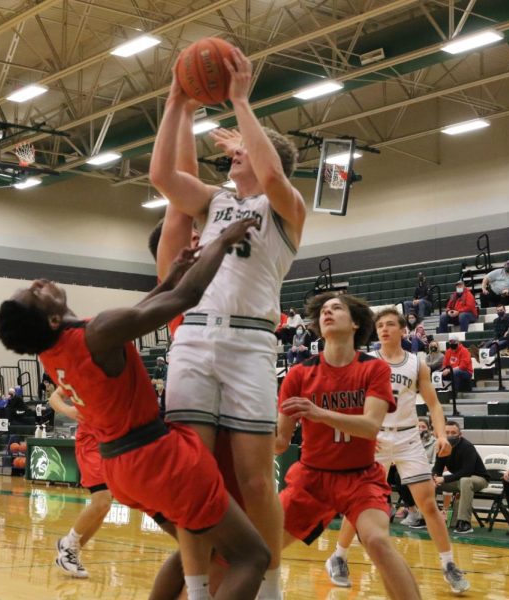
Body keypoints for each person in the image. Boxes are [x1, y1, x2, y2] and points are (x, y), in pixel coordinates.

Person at [0, 219, 271, 600]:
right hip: (156, 458)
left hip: (122, 470)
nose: (39, 284)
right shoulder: (97, 333)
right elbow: (188, 297)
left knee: (199, 549)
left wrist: (169, 276)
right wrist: (222, 241)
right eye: (35, 294)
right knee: (251, 557)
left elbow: (132, 318)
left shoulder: (53, 349)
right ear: (53, 318)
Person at [149, 48, 306, 598]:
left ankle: (270, 588)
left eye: (239, 153)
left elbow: (268, 171)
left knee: (259, 480)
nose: (232, 160)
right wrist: (176, 100)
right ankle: (197, 589)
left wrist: (241, 100)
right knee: (196, 482)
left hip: (250, 343)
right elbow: (164, 175)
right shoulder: (213, 202)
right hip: (194, 337)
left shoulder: (286, 207)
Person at [275, 293, 422, 599]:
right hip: (312, 478)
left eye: (337, 308)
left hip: (360, 477)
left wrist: (318, 413)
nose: (328, 312)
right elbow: (279, 442)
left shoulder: (374, 369)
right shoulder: (299, 375)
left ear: (355, 323)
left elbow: (370, 427)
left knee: (378, 541)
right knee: (260, 548)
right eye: (324, 310)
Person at [329, 308, 468, 594]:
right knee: (359, 503)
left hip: (408, 439)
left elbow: (434, 405)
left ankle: (449, 564)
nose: (384, 329)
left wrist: (441, 435)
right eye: (380, 325)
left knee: (428, 504)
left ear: (403, 330)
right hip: (375, 438)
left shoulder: (417, 364)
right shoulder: (365, 361)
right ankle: (338, 557)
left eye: (390, 324)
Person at [48, 386, 113, 579]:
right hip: (91, 444)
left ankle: (69, 551)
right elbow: (54, 397)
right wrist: (69, 410)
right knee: (101, 501)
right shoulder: (85, 374)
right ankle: (69, 544)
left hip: (111, 444)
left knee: (105, 507)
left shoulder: (123, 375)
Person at [432, 421, 489, 534]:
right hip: (459, 480)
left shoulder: (467, 447)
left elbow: (467, 472)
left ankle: (464, 522)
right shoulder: (442, 447)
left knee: (465, 480)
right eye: (447, 432)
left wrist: (444, 479)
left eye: (453, 432)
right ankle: (427, 518)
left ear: (460, 434)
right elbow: (437, 469)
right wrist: (434, 478)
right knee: (428, 483)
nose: (450, 435)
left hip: (479, 478)